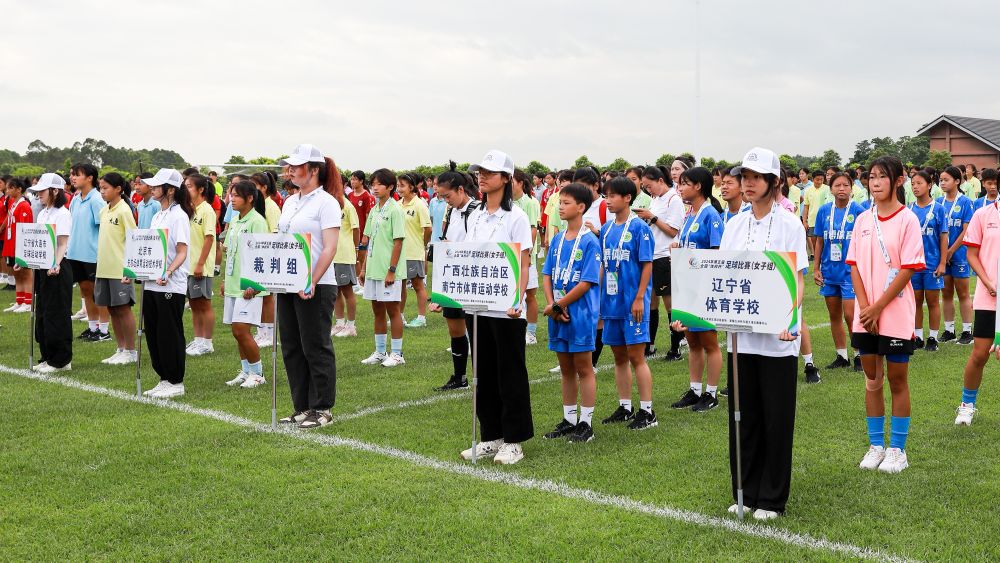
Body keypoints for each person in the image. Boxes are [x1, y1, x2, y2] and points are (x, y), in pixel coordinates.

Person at [720, 147, 807, 520]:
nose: (748, 183)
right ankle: (744, 490)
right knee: (743, 414)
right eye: (745, 177)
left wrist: (792, 322)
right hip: (740, 338)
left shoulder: (790, 224)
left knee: (775, 418)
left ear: (774, 182)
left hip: (777, 341)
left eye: (756, 177)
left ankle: (771, 497)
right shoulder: (734, 224)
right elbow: (721, 275)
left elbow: (797, 280)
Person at [849, 156, 924, 475]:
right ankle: (876, 445)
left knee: (897, 381)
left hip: (894, 313)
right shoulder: (863, 220)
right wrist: (866, 308)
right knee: (872, 380)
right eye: (871, 177)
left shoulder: (908, 220)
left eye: (882, 176)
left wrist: (879, 307)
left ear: (898, 180)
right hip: (865, 314)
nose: (875, 182)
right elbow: (853, 266)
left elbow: (908, 268)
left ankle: (898, 450)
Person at [458, 150, 533, 465]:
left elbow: (523, 262)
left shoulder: (516, 216)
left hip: (506, 310)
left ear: (506, 178)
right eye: (479, 172)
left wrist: (518, 300)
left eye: (489, 172)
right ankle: (491, 436)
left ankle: (514, 440)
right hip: (477, 306)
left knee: (510, 373)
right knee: (483, 373)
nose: (481, 176)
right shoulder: (473, 214)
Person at [274, 144, 342, 429]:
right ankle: (301, 407)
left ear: (313, 170)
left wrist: (311, 279)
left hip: (317, 284)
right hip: (289, 283)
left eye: (296, 166)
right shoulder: (290, 201)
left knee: (315, 345)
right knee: (291, 346)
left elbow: (330, 248)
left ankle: (322, 407)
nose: (290, 170)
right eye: (289, 165)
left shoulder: (326, 202)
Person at [541, 182, 603, 443]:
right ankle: (569, 419)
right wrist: (552, 305)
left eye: (566, 203)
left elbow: (587, 281)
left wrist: (559, 304)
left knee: (584, 367)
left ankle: (586, 423)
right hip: (558, 311)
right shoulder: (556, 239)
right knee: (565, 368)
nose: (560, 207)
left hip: (579, 312)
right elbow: (547, 273)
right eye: (559, 203)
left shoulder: (590, 241)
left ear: (581, 207)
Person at [598, 177, 656, 430]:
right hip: (612, 303)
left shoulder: (639, 227)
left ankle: (647, 411)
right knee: (619, 356)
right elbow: (604, 265)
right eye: (606, 195)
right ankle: (625, 406)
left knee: (636, 356)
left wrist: (639, 297)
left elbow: (647, 264)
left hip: (633, 302)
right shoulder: (607, 229)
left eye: (612, 196)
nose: (608, 200)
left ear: (627, 198)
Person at [668, 167, 725, 412]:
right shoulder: (690, 214)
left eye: (684, 183)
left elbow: (717, 254)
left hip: (704, 287)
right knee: (691, 340)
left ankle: (711, 393)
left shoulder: (711, 214)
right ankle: (694, 390)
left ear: (699, 186)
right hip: (687, 286)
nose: (680, 188)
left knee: (709, 342)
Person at [138, 169, 192, 399]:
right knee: (153, 332)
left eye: (157, 186)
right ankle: (163, 377)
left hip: (170, 284)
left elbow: (182, 251)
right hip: (152, 283)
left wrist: (168, 272)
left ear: (170, 189)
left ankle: (175, 380)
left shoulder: (178, 215)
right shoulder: (157, 215)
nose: (152, 188)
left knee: (169, 332)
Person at [431, 163, 481, 391]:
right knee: (455, 329)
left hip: (471, 279)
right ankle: (459, 376)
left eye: (447, 195)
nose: (445, 200)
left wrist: (455, 248)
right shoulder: (451, 211)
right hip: (453, 279)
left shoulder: (477, 211)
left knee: (475, 329)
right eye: (441, 196)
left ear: (461, 189)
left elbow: (480, 247)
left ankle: (481, 377)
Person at [955, 185, 1000, 425]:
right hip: (989, 296)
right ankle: (967, 404)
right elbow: (972, 254)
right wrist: (987, 280)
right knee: (980, 354)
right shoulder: (983, 215)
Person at [812, 172, 865, 370]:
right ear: (830, 188)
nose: (841, 189)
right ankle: (841, 355)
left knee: (851, 315)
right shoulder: (824, 211)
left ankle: (859, 354)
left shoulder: (860, 211)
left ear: (852, 188)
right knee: (834, 315)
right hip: (829, 271)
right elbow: (819, 241)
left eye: (845, 185)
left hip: (851, 272)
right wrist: (816, 268)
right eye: (837, 185)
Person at [220, 180, 269, 388]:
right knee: (236, 331)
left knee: (241, 330)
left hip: (249, 286)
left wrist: (255, 284)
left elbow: (263, 254)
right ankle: (246, 370)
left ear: (250, 198)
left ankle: (257, 373)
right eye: (231, 195)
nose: (232, 199)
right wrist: (224, 279)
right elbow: (230, 252)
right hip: (234, 283)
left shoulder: (256, 221)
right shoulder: (235, 220)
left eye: (237, 195)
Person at [635, 165, 684, 361]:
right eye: (645, 187)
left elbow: (672, 230)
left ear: (661, 181)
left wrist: (652, 217)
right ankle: (650, 345)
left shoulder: (674, 199)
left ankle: (676, 347)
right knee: (651, 303)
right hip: (651, 256)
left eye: (649, 185)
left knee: (670, 304)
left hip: (665, 256)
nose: (648, 190)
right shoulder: (656, 199)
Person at [25, 174, 73, 373]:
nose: (38, 195)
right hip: (43, 267)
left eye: (42, 191)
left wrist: (56, 263)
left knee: (56, 314)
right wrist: (25, 260)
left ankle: (61, 360)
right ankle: (47, 355)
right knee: (43, 313)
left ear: (55, 191)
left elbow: (62, 243)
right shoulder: (44, 213)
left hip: (58, 268)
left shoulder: (62, 213)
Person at [359, 169, 407, 367]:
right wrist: (363, 269)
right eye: (373, 184)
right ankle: (380, 351)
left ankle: (397, 354)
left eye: (379, 184)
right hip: (373, 269)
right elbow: (368, 241)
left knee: (393, 311)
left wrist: (392, 270)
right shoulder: (375, 209)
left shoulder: (395, 210)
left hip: (389, 270)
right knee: (377, 310)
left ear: (390, 187)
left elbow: (398, 242)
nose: (375, 188)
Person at [95, 173, 138, 365]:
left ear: (118, 189)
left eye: (105, 188)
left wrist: (128, 269)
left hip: (119, 270)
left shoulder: (124, 211)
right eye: (101, 188)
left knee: (123, 309)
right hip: (104, 268)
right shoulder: (104, 211)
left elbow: (133, 240)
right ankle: (120, 349)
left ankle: (131, 350)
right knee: (112, 309)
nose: (102, 191)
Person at [66, 163, 110, 339]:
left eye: (77, 174)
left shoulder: (96, 199)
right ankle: (92, 327)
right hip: (76, 253)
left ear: (90, 178)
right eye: (72, 174)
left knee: (97, 293)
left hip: (93, 254)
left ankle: (104, 330)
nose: (72, 178)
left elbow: (103, 229)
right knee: (85, 291)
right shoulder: (76, 199)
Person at [908, 171, 948, 352]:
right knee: (915, 301)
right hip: (913, 265)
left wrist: (942, 263)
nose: (915, 187)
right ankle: (917, 336)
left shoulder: (939, 208)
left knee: (932, 301)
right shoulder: (908, 209)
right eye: (913, 184)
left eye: (919, 183)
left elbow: (943, 237)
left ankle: (932, 337)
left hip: (932, 263)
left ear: (930, 185)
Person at [937, 166, 975, 344]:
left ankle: (967, 331)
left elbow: (966, 231)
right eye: (941, 180)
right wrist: (943, 254)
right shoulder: (938, 203)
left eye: (946, 180)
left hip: (958, 254)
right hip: (942, 256)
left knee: (963, 293)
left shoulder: (966, 202)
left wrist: (951, 251)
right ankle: (949, 330)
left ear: (957, 181)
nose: (942, 183)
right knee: (945, 293)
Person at [185, 175, 217, 357]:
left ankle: (207, 342)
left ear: (201, 189)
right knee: (194, 304)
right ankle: (198, 340)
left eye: (189, 186)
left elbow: (209, 238)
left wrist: (200, 264)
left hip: (200, 266)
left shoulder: (207, 211)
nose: (186, 189)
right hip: (188, 266)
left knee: (204, 304)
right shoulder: (188, 210)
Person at [249, 173, 282, 347]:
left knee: (268, 297)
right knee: (259, 296)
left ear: (264, 187)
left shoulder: (271, 207)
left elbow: (277, 234)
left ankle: (269, 334)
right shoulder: (256, 206)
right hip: (258, 258)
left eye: (255, 185)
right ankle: (261, 332)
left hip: (269, 257)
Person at [397, 173, 432, 329]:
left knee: (418, 285)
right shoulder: (397, 205)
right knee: (400, 285)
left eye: (402, 186)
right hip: (400, 253)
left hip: (414, 252)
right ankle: (400, 316)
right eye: (398, 186)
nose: (399, 189)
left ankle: (421, 318)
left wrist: (422, 244)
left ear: (411, 187)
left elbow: (428, 229)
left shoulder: (419, 204)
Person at [513, 169, 542, 344]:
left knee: (529, 295)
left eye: (512, 182)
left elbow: (533, 229)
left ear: (521, 183)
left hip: (525, 256)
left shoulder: (530, 202)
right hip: (510, 255)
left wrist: (527, 253)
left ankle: (531, 332)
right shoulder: (506, 202)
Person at [331, 178, 361, 338]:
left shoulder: (348, 206)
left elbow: (356, 229)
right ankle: (340, 323)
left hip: (344, 255)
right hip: (331, 255)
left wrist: (355, 249)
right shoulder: (329, 205)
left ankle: (351, 326)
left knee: (347, 291)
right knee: (335, 291)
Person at [2, 178, 33, 312]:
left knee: (26, 272)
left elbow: (25, 227)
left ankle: (28, 302)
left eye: (10, 188)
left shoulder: (24, 205)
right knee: (17, 273)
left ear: (19, 189)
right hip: (11, 243)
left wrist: (22, 246)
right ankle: (19, 300)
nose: (7, 191)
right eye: (7, 188)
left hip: (20, 244)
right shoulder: (13, 204)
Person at [348, 171, 375, 294]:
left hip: (362, 231)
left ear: (361, 181)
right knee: (353, 258)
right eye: (351, 179)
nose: (352, 182)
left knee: (361, 258)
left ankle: (363, 285)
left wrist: (366, 234)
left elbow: (369, 216)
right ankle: (358, 283)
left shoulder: (366, 196)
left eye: (355, 179)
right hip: (352, 232)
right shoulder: (350, 195)